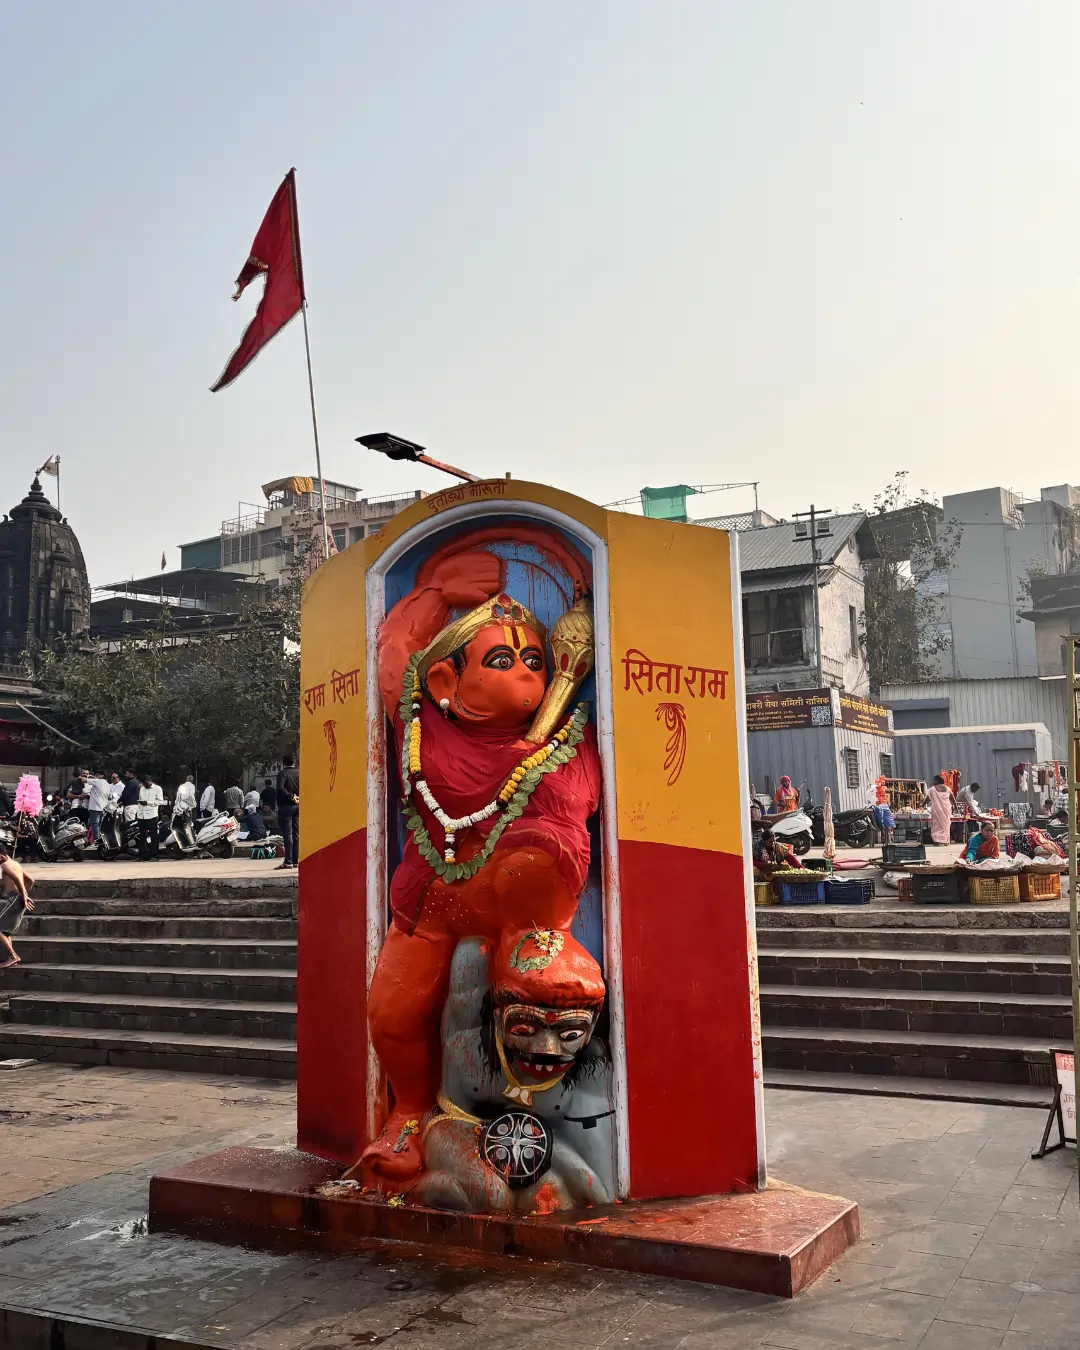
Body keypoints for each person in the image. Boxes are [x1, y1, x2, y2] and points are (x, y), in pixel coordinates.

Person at [0, 850, 34, 968]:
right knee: (5, 931)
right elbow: (30, 880)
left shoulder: (5, 865)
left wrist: (23, 896)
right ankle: (8, 958)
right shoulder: (16, 864)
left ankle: (12, 956)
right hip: (18, 898)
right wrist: (25, 895)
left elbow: (17, 879)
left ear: (2, 856)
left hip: (14, 898)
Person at [276, 755, 299, 869]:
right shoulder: (299, 773)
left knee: (288, 834)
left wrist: (291, 796)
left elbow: (280, 788)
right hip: (298, 806)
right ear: (294, 761)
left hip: (286, 806)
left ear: (283, 762)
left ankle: (288, 861)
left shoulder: (283, 774)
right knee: (296, 834)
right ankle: (295, 860)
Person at [137, 774, 164, 860]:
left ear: (150, 781)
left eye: (146, 783)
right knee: (142, 836)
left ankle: (154, 855)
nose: (145, 785)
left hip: (151, 815)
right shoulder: (142, 788)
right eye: (143, 784)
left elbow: (160, 801)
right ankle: (142, 855)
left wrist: (148, 803)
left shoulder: (157, 789)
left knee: (153, 836)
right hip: (141, 815)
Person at [925, 774, 954, 846]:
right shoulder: (948, 788)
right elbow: (952, 798)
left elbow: (928, 799)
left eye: (934, 780)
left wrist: (922, 805)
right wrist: (955, 807)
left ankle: (937, 841)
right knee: (946, 825)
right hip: (946, 810)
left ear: (937, 781)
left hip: (937, 810)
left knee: (936, 825)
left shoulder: (932, 789)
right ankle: (945, 841)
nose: (933, 781)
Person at [85, 770, 111, 844]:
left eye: (97, 775)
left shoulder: (97, 782)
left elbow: (83, 780)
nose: (96, 776)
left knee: (95, 825)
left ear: (102, 775)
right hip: (103, 807)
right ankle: (100, 839)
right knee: (99, 825)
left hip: (95, 808)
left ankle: (96, 840)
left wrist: (87, 776)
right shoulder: (107, 784)